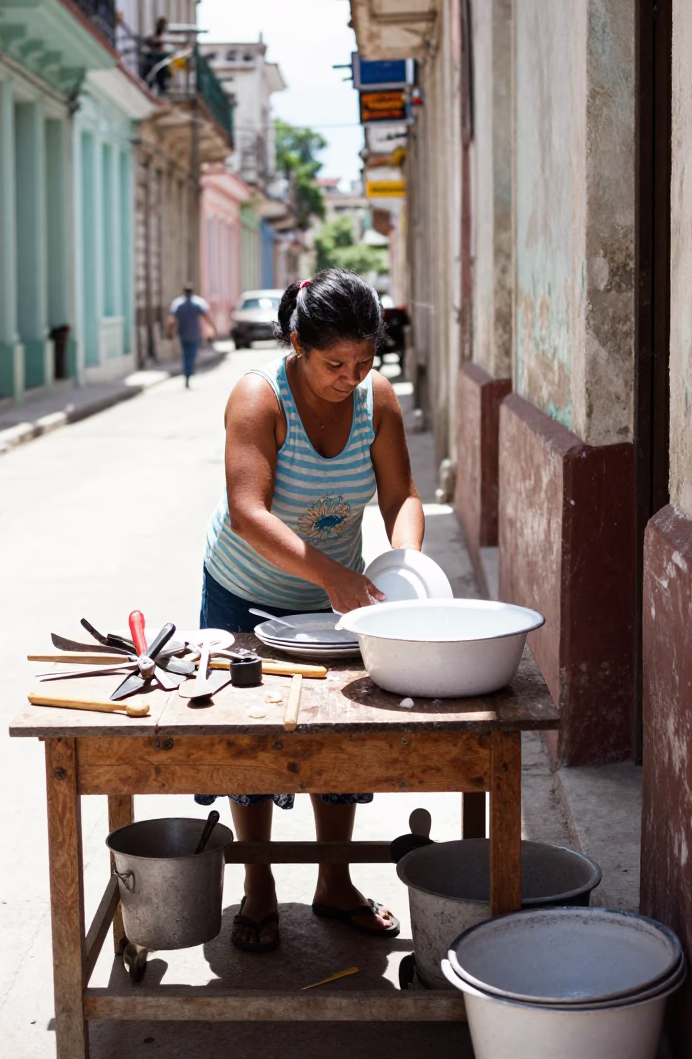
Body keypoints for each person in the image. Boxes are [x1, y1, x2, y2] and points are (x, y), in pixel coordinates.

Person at [199, 269, 425, 953]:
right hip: (245, 590)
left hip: (337, 601)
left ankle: (334, 883)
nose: (350, 377)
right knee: (251, 746)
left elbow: (402, 497)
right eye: (334, 363)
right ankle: (260, 885)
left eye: (364, 362)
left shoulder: (374, 400)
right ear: (295, 342)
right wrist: (332, 574)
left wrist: (405, 568)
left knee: (341, 743)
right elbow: (247, 512)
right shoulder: (256, 397)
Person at [166, 284, 216, 388]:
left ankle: (187, 374)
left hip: (184, 334)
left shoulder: (178, 304)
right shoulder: (198, 303)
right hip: (194, 334)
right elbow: (207, 317)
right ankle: (189, 373)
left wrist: (170, 332)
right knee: (191, 356)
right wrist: (212, 330)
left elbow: (172, 320)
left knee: (186, 355)